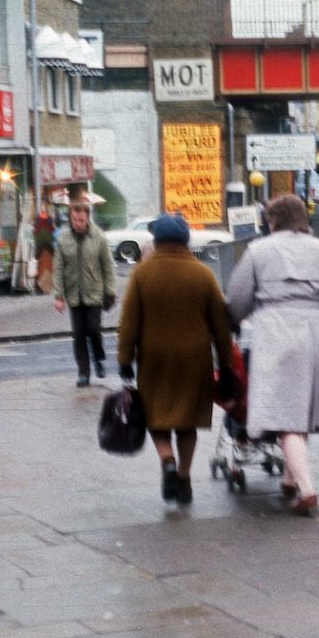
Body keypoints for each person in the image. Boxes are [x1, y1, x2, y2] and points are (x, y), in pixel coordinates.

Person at [227, 194, 319, 516]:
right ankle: (289, 480)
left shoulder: (258, 251)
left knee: (285, 418)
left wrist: (238, 319)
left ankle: (307, 489)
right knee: (302, 410)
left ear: (272, 221)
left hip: (278, 331)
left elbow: (237, 300)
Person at [117, 214, 234, 507]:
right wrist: (226, 364)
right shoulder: (203, 274)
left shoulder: (142, 275)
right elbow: (221, 326)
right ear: (186, 241)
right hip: (195, 358)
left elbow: (128, 323)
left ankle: (166, 459)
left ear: (155, 241)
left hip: (154, 358)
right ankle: (183, 477)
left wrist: (124, 361)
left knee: (156, 418)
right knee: (187, 422)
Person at [52, 200, 116, 387]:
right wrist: (58, 296)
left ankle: (98, 359)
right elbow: (58, 269)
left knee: (94, 330)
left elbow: (107, 267)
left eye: (80, 219)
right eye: (74, 219)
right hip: (74, 295)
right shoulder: (64, 239)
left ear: (87, 218)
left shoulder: (99, 238)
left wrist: (110, 291)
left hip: (94, 293)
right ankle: (83, 372)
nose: (77, 223)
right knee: (79, 333)